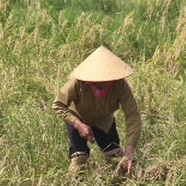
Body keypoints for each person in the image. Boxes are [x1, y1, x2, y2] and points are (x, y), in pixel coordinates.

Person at [52, 46, 142, 178]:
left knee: (115, 158)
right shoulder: (77, 82)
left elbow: (132, 116)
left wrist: (129, 150)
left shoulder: (120, 86)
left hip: (103, 121)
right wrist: (78, 125)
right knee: (79, 159)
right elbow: (58, 104)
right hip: (77, 118)